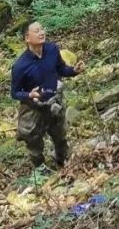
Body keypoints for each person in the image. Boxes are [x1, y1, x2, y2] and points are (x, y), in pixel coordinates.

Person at [10, 20, 82, 171]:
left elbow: (61, 69)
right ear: (27, 38)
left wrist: (74, 70)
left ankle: (63, 164)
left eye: (42, 29)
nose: (41, 32)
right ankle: (41, 170)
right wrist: (29, 94)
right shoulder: (20, 65)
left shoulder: (52, 49)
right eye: (36, 31)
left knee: (60, 136)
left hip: (54, 101)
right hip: (33, 107)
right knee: (34, 142)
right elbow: (15, 92)